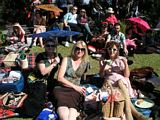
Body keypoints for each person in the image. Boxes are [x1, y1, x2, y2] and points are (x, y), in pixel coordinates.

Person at [99, 41, 150, 120]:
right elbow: (101, 75)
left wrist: (126, 64)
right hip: (109, 81)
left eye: (114, 49)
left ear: (117, 50)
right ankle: (137, 115)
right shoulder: (103, 60)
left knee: (120, 81)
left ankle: (130, 113)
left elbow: (127, 75)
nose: (111, 51)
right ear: (107, 50)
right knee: (121, 93)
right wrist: (104, 66)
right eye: (110, 49)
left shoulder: (121, 59)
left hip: (121, 80)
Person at [53, 40, 90, 120]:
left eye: (82, 49)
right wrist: (75, 87)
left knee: (71, 117)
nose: (79, 51)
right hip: (62, 89)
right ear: (74, 49)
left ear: (85, 51)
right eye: (77, 48)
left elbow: (84, 79)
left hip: (75, 92)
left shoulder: (85, 63)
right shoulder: (67, 59)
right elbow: (59, 78)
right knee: (65, 117)